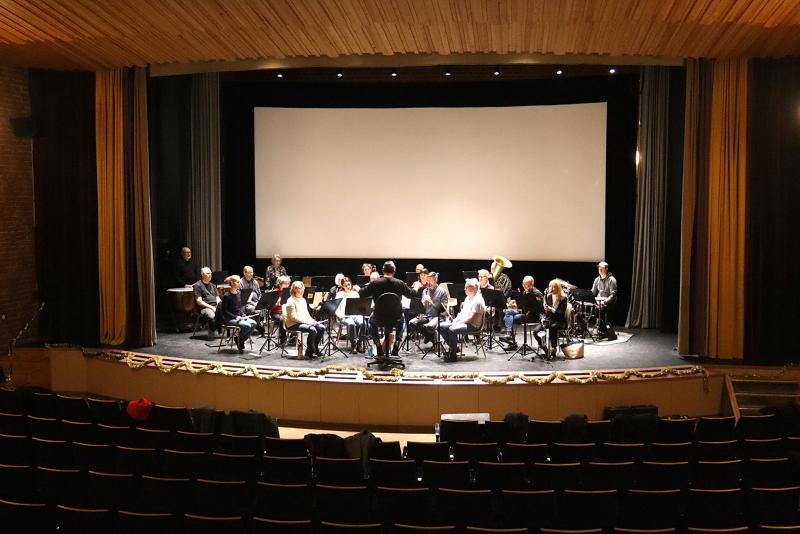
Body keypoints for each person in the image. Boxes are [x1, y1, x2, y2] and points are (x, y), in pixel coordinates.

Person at [360, 260, 416, 356]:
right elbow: (412, 294)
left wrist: (358, 289)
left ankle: (378, 346)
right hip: (396, 317)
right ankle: (396, 345)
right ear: (394, 271)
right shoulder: (400, 283)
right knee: (402, 321)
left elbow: (362, 293)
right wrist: (416, 287)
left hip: (379, 317)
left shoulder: (375, 283)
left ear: (382, 270)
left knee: (371, 322)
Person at [438, 278, 485, 362]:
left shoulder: (478, 301)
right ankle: (455, 348)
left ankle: (453, 353)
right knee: (441, 326)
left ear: (473, 288)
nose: (464, 289)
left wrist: (458, 323)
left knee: (452, 329)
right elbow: (463, 313)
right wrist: (456, 320)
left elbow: (471, 319)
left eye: (466, 287)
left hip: (472, 325)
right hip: (464, 322)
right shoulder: (468, 298)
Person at [501, 275, 544, 350]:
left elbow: (540, 309)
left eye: (527, 285)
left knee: (508, 318)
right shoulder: (525, 292)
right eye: (523, 285)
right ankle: (509, 335)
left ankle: (512, 343)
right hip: (524, 314)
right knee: (508, 312)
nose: (524, 287)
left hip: (532, 316)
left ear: (532, 284)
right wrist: (514, 303)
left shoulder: (537, 294)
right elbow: (522, 305)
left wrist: (528, 309)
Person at [284, 281, 325, 358]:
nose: (299, 290)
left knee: (321, 327)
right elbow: (293, 317)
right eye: (297, 288)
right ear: (293, 289)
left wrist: (312, 321)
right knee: (312, 329)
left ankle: (315, 348)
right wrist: (307, 323)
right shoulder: (290, 301)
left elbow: (306, 314)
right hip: (293, 323)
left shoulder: (303, 300)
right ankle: (309, 352)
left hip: (303, 322)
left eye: (301, 288)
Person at [408, 271, 448, 344]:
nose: (428, 282)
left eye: (430, 280)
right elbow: (423, 308)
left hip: (437, 316)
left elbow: (443, 308)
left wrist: (432, 302)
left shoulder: (442, 291)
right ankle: (430, 336)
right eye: (427, 280)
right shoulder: (425, 291)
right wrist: (422, 303)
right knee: (412, 323)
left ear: (436, 280)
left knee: (429, 326)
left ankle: (431, 336)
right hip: (426, 315)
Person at [220, 275, 257, 353]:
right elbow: (224, 312)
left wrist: (242, 314)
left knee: (253, 323)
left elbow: (239, 307)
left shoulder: (239, 293)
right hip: (228, 319)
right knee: (247, 325)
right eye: (237, 282)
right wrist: (236, 317)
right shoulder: (227, 296)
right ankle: (240, 340)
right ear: (232, 283)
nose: (239, 283)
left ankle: (239, 339)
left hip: (238, 317)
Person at [335, 277, 364, 353]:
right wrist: (342, 315)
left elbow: (359, 306)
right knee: (351, 323)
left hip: (355, 315)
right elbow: (336, 308)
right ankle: (353, 344)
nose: (348, 286)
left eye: (349, 284)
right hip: (344, 316)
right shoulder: (339, 294)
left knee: (362, 323)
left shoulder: (355, 294)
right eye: (346, 285)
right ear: (342, 286)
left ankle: (359, 344)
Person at [543, 279, 569, 358]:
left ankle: (553, 349)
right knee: (536, 331)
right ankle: (545, 348)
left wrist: (551, 309)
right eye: (550, 286)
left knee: (552, 327)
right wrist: (544, 316)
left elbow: (561, 314)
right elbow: (544, 312)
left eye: (554, 287)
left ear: (558, 288)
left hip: (560, 321)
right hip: (550, 319)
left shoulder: (563, 298)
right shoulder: (548, 296)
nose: (551, 288)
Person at [591, 261, 618, 337]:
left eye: (601, 268)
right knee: (587, 311)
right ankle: (602, 329)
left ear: (606, 269)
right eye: (599, 268)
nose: (599, 269)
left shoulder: (612, 280)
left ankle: (603, 331)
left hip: (609, 303)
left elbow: (613, 295)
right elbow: (592, 292)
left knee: (599, 310)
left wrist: (605, 301)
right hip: (599, 302)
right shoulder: (597, 280)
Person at [193, 267, 219, 337]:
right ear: (202, 274)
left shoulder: (213, 285)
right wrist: (212, 307)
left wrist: (220, 306)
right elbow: (199, 302)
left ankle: (225, 333)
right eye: (208, 273)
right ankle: (212, 330)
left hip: (214, 306)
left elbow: (217, 298)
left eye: (210, 273)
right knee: (212, 316)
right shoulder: (198, 285)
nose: (210, 275)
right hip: (204, 308)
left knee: (227, 313)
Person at [269, 275, 291, 344]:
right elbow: (270, 307)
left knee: (296, 317)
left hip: (285, 311)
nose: (287, 285)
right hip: (276, 313)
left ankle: (292, 339)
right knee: (283, 319)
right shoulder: (275, 292)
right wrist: (276, 303)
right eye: (285, 284)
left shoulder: (288, 292)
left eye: (288, 283)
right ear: (280, 284)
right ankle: (282, 340)